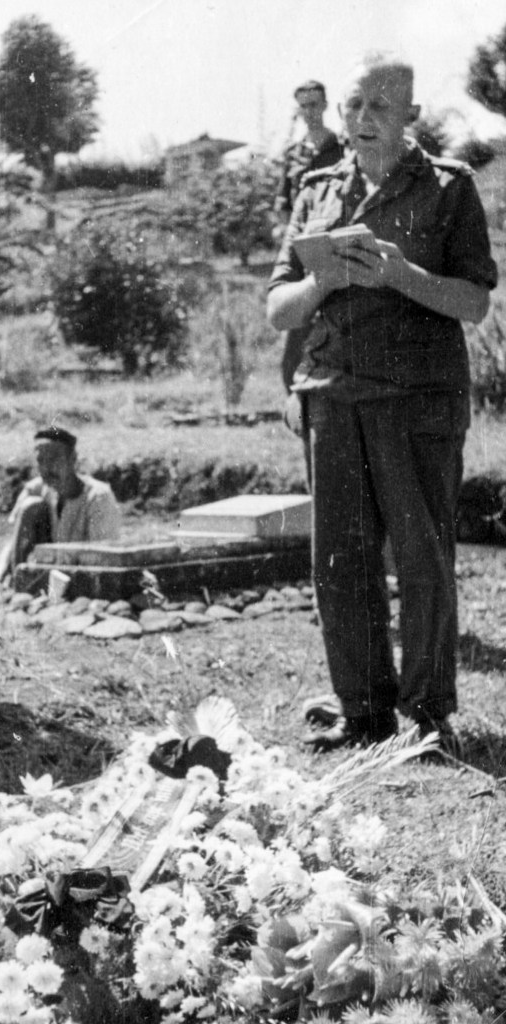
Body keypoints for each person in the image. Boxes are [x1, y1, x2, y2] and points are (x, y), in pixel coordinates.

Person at [267, 52, 497, 754]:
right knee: (340, 560)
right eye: (354, 106)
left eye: (380, 107)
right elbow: (278, 308)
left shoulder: (449, 188)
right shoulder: (315, 190)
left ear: (410, 116)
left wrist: (400, 274)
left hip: (416, 400)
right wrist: (321, 284)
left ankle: (426, 714)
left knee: (422, 557)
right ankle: (363, 711)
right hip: (333, 396)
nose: (363, 120)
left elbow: (474, 302)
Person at [275, 80, 345, 391]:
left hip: (336, 249)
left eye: (314, 104)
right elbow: (282, 205)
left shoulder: (342, 148)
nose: (309, 112)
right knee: (296, 340)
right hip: (302, 256)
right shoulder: (293, 154)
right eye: (303, 106)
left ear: (326, 105)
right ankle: (296, 402)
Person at [0, 427, 121, 591]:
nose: (47, 468)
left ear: (72, 459)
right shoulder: (36, 489)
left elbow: (104, 558)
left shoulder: (98, 497)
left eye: (54, 459)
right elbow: (13, 542)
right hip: (48, 577)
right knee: (31, 506)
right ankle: (17, 588)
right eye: (41, 461)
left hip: (85, 580)